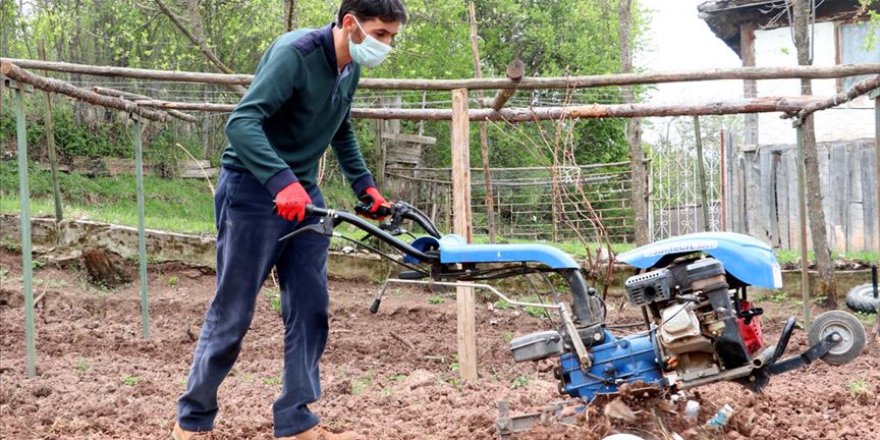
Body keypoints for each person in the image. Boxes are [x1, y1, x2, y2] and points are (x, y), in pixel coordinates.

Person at [172, 1, 406, 439]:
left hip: (303, 196)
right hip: (252, 189)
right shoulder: (294, 54)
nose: (385, 45)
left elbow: (340, 129)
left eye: (391, 37)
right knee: (234, 311)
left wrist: (365, 187)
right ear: (350, 24)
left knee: (310, 309)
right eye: (380, 34)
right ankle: (193, 420)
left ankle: (296, 420)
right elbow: (241, 123)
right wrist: (281, 181)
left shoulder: (350, 68)